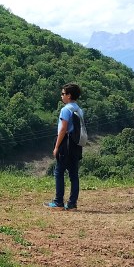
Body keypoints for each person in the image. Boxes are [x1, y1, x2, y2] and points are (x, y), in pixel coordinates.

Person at [45, 82, 83, 210]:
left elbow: (63, 129)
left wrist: (56, 146)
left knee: (59, 171)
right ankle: (72, 203)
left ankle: (58, 202)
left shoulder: (65, 110)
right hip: (76, 144)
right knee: (73, 174)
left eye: (63, 94)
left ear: (69, 95)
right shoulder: (79, 110)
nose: (61, 96)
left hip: (65, 143)